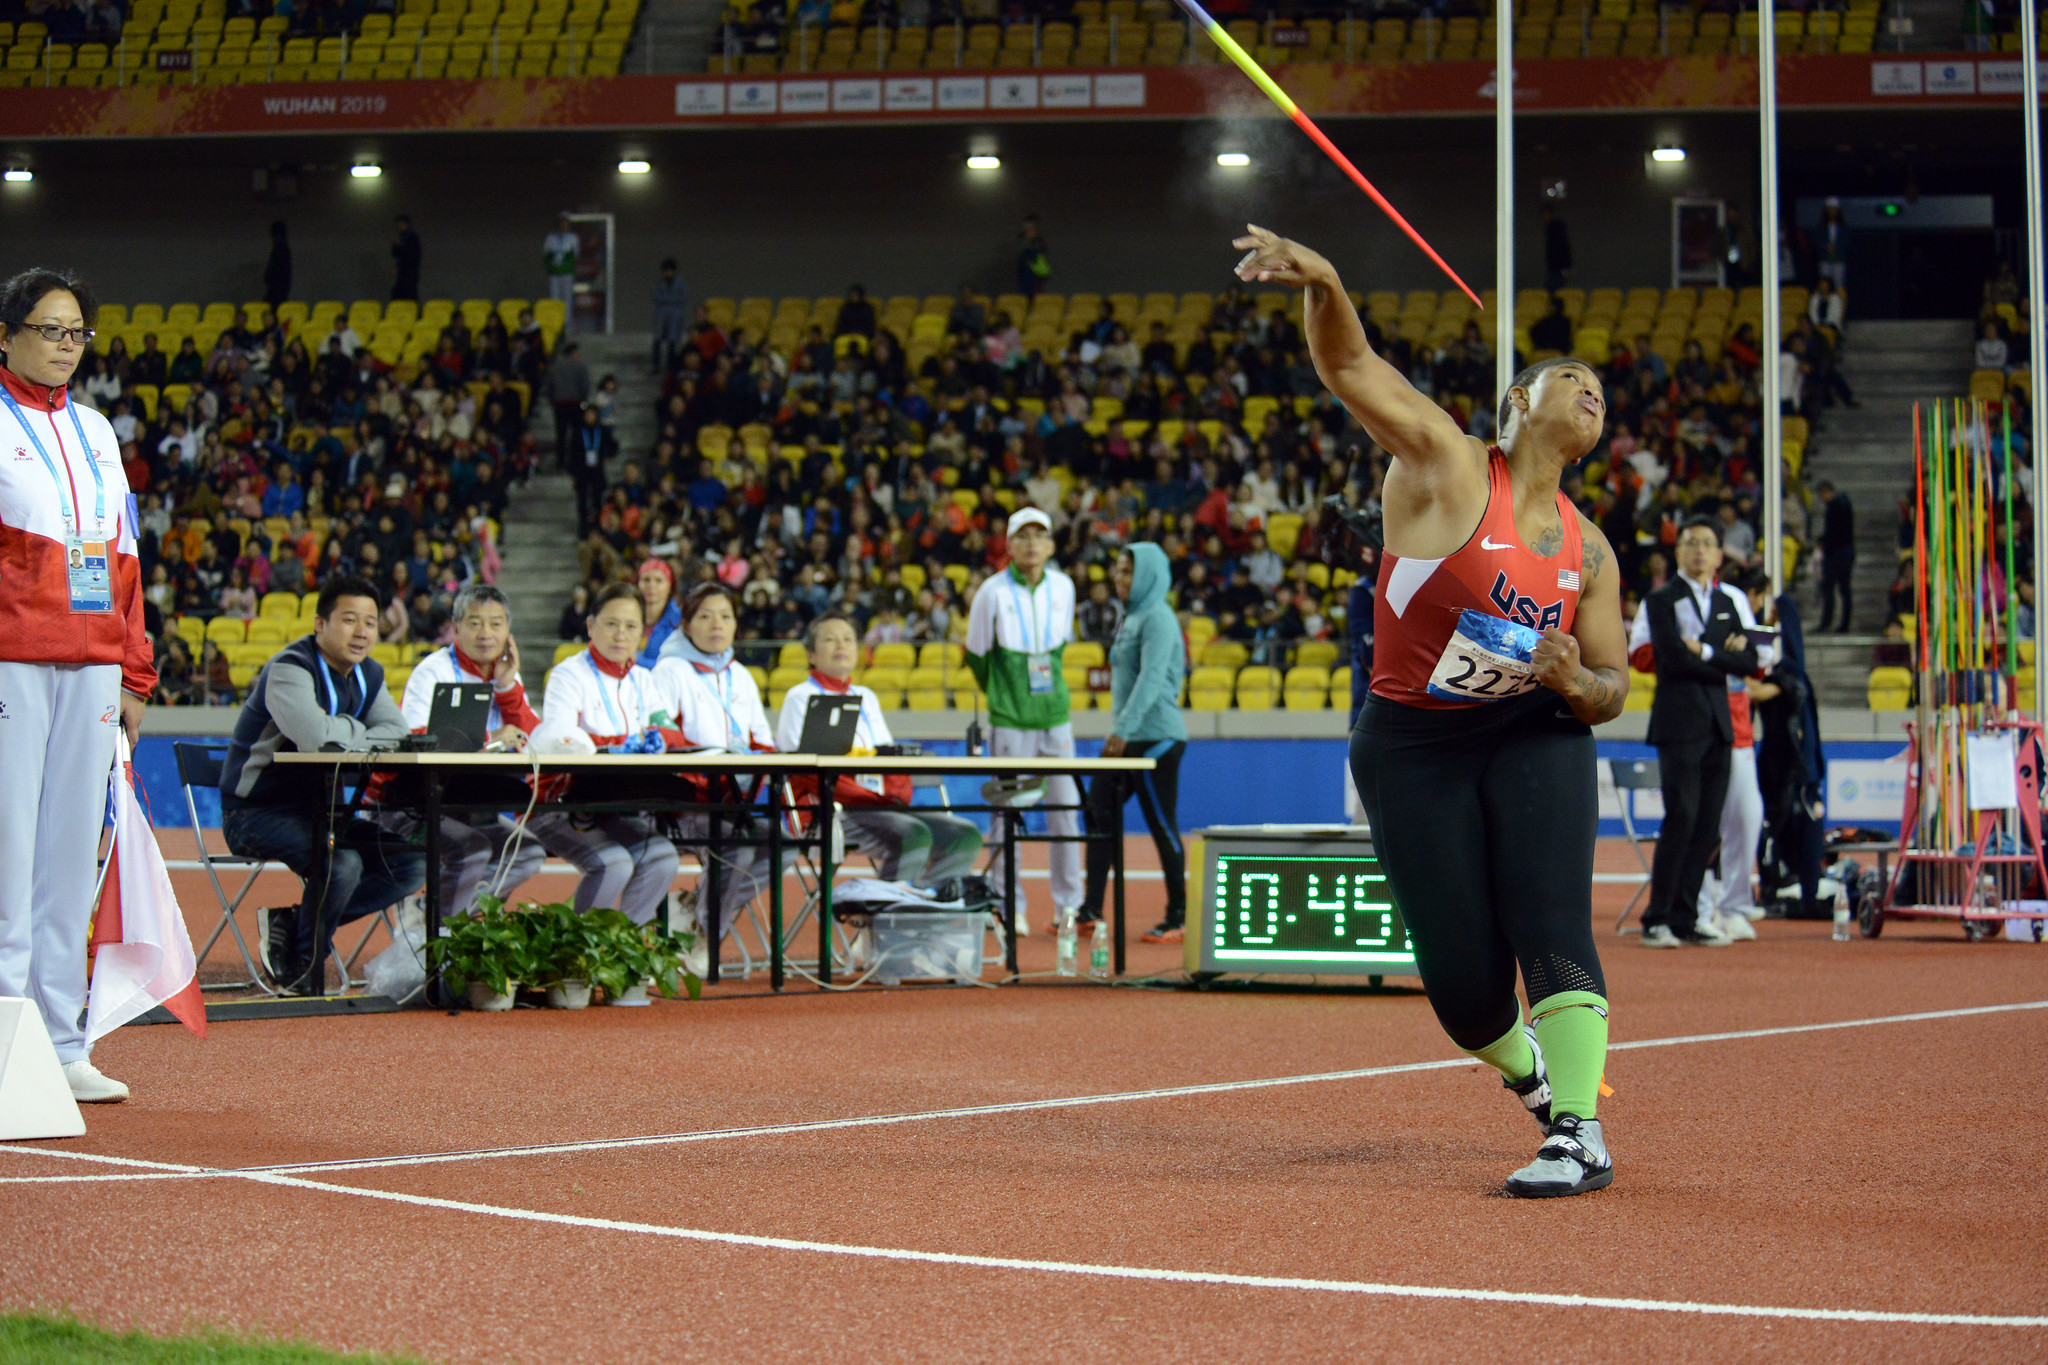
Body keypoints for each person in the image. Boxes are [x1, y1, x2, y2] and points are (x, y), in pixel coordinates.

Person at [1233, 224, 1629, 1198]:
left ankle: (1577, 1131)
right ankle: (1533, 1082)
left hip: (1531, 729)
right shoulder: (1448, 467)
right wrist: (1324, 277)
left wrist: (1577, 684)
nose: (1589, 390)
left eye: (1600, 389)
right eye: (1565, 377)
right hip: (1411, 746)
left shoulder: (1593, 549)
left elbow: (1613, 686)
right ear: (1513, 404)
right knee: (1460, 986)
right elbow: (1352, 367)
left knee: (1550, 921)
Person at [0, 267, 156, 1103]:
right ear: (6, 333)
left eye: (75, 333)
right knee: (6, 856)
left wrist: (134, 669)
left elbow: (124, 557)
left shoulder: (97, 430)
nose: (64, 346)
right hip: (11, 662)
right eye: (49, 329)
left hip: (92, 664)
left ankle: (62, 1043)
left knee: (67, 860)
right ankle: (4, 1046)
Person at [221, 575, 426, 993]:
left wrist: (343, 731)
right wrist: (357, 728)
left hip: (325, 812)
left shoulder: (368, 674)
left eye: (370, 621)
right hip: (256, 813)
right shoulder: (290, 670)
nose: (362, 631)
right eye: (349, 619)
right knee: (343, 864)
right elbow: (317, 738)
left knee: (412, 862)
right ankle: (302, 964)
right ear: (319, 624)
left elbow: (396, 731)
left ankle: (293, 927)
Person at [376, 584, 547, 918]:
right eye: (475, 623)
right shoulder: (433, 671)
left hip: (470, 802)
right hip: (414, 804)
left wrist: (508, 688)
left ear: (508, 632)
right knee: (473, 849)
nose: (486, 633)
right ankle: (440, 930)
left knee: (527, 853)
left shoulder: (507, 676)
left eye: (496, 624)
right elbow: (414, 737)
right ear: (455, 629)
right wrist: (489, 738)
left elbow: (531, 738)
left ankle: (435, 914)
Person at [777, 611, 982, 890]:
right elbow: (799, 768)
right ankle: (887, 924)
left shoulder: (867, 698)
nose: (841, 646)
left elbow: (888, 759)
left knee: (965, 835)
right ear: (811, 654)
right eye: (830, 640)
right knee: (912, 835)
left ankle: (927, 908)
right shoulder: (800, 697)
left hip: (878, 804)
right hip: (831, 810)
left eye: (848, 639)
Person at [1630, 556, 1774, 943]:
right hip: (1680, 721)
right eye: (1692, 542)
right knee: (1683, 817)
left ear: (1718, 555)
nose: (1700, 552)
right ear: (1681, 551)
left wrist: (1705, 652)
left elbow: (1754, 659)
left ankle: (1689, 915)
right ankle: (1658, 917)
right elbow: (1662, 657)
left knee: (1712, 825)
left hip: (1724, 724)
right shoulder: (1660, 600)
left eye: (1708, 544)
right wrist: (1719, 658)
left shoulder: (1730, 601)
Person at [527, 583, 681, 925]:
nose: (620, 635)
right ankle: (579, 959)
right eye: (611, 624)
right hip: (560, 806)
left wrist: (646, 738)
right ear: (590, 626)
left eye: (631, 627)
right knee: (615, 863)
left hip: (613, 807)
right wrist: (628, 740)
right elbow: (563, 740)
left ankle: (619, 952)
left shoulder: (643, 679)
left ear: (642, 633)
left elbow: (670, 732)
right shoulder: (567, 675)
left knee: (663, 857)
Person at [966, 506, 1082, 935]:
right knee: (1006, 813)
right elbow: (976, 656)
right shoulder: (991, 593)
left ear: (1051, 545)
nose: (1032, 544)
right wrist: (1004, 697)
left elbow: (1058, 651)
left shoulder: (1065, 587)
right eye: (1023, 536)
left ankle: (1069, 906)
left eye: (1040, 536)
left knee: (1066, 810)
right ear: (1009, 544)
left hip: (1055, 717)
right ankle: (1008, 903)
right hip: (1010, 719)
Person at [654, 583, 776, 956]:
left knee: (782, 843)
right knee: (735, 848)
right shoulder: (669, 671)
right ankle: (707, 938)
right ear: (687, 625)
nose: (716, 625)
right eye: (705, 616)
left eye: (725, 616)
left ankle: (696, 906)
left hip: (732, 804)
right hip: (684, 805)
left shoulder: (741, 675)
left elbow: (763, 742)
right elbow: (663, 739)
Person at [1080, 544, 1188, 942]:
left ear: (1146, 574)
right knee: (1098, 812)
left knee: (1162, 824)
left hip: (1157, 739)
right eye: (1117, 571)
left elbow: (1152, 679)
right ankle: (1090, 909)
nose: (1118, 579)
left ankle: (1178, 916)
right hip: (1130, 739)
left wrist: (1122, 729)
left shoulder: (1158, 618)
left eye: (1127, 572)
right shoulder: (1132, 617)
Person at [567, 402, 614, 534]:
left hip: (597, 470)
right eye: (587, 415)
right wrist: (572, 471)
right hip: (582, 470)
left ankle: (599, 526)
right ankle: (583, 527)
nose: (589, 417)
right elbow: (572, 452)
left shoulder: (602, 430)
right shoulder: (578, 431)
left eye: (592, 414)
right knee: (582, 499)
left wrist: (608, 455)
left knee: (598, 498)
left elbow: (613, 444)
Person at [1815, 480, 1855, 633]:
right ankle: (1840, 624)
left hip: (1837, 554)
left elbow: (1835, 532)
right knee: (1842, 590)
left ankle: (1830, 623)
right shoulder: (1844, 504)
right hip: (1843, 552)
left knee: (1835, 590)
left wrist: (1824, 542)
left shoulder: (1836, 506)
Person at [546, 340, 593, 470]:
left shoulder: (554, 367)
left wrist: (553, 400)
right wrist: (583, 400)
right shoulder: (580, 366)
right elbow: (585, 387)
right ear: (574, 353)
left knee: (561, 434)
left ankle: (560, 462)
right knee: (576, 435)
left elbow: (549, 387)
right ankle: (574, 462)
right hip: (575, 403)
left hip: (559, 404)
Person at [636, 556, 681, 666]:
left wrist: (633, 661)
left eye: (658, 581)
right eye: (646, 580)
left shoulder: (680, 621)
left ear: (670, 585)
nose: (651, 586)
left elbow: (673, 666)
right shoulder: (628, 615)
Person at [651, 257, 688, 371]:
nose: (668, 273)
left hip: (674, 316)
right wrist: (669, 299)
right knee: (657, 341)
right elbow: (655, 297)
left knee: (672, 343)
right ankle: (656, 366)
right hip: (661, 315)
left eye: (670, 270)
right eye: (666, 271)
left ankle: (670, 366)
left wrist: (667, 300)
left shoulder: (680, 284)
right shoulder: (659, 284)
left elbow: (682, 298)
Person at [543, 213, 579, 315]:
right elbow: (546, 253)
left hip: (567, 272)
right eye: (562, 222)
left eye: (565, 222)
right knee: (554, 298)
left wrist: (564, 259)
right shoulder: (551, 238)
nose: (563, 224)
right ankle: (556, 323)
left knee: (567, 299)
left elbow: (575, 254)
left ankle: (567, 325)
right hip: (554, 272)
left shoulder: (573, 238)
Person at [390, 215, 422, 302]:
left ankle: (413, 313)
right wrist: (395, 246)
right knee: (398, 294)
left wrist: (399, 268)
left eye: (400, 224)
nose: (398, 227)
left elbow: (410, 256)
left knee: (408, 295)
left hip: (409, 272)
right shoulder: (401, 237)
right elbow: (396, 254)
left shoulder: (412, 238)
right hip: (403, 273)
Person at [1542, 204, 1573, 290]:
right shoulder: (1549, 231)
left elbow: (1563, 248)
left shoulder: (1556, 231)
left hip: (1558, 268)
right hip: (1553, 267)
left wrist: (1567, 267)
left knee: (1554, 289)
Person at [263, 219, 292, 309]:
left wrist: (269, 278)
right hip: (278, 288)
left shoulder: (280, 249)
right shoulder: (281, 247)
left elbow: (277, 270)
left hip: (277, 289)